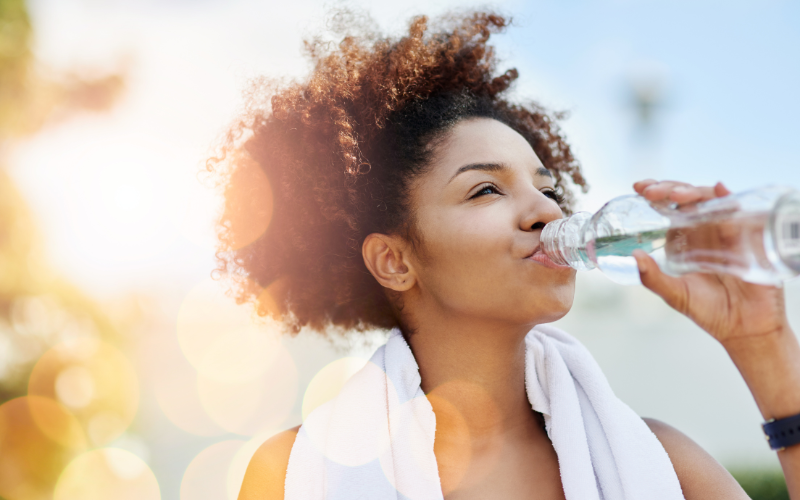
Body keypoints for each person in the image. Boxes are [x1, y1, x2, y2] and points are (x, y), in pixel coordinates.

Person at [212, 11, 800, 500]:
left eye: (548, 189)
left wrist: (763, 342)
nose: (547, 212)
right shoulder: (292, 475)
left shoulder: (664, 466)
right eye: (486, 189)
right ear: (395, 260)